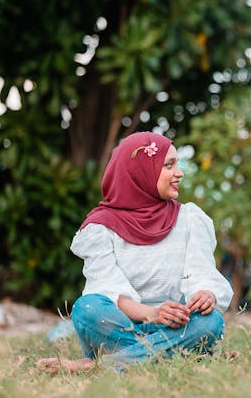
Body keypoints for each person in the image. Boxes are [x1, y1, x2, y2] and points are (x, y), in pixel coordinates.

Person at [37, 132, 233, 373]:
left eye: (177, 164)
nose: (179, 173)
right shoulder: (100, 228)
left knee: (210, 322)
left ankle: (100, 367)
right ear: (141, 172)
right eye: (169, 165)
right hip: (124, 325)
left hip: (175, 326)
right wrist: (152, 314)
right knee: (86, 308)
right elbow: (108, 290)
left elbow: (201, 274)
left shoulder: (190, 219)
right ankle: (168, 356)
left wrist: (206, 295)